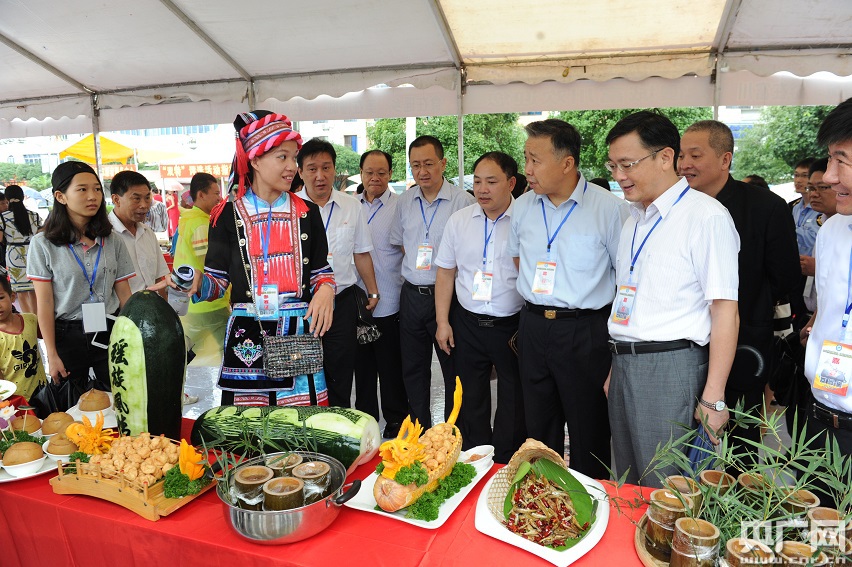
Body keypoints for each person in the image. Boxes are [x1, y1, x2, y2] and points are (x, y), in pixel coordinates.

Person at [604, 111, 740, 487]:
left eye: (628, 164)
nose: (619, 175)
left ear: (666, 157)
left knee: (667, 488)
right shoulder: (634, 219)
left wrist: (714, 397)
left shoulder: (706, 217)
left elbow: (725, 310)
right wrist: (618, 362)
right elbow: (629, 298)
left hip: (671, 366)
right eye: (613, 165)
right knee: (628, 480)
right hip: (625, 363)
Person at [508, 119, 628, 479]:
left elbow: (624, 278)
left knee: (587, 424)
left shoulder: (608, 209)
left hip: (585, 331)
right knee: (538, 424)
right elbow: (518, 260)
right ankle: (543, 502)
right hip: (532, 326)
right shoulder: (523, 206)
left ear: (567, 163)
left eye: (535, 160)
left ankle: (591, 501)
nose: (527, 169)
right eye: (525, 158)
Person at [679, 120, 800, 468]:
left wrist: (748, 304)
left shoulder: (766, 207)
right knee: (681, 439)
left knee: (739, 445)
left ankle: (734, 510)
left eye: (695, 155)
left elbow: (786, 277)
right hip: (686, 343)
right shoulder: (675, 207)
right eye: (682, 155)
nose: (685, 163)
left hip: (745, 337)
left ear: (725, 159)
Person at [192, 111, 335, 407]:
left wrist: (326, 289)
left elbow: (322, 271)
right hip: (248, 334)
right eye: (282, 157)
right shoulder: (226, 216)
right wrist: (193, 283)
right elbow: (217, 282)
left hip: (297, 333)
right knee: (248, 432)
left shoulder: (308, 214)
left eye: (293, 158)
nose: (292, 167)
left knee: (301, 429)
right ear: (255, 160)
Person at [435, 151, 527, 463]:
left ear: (511, 183)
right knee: (470, 395)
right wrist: (442, 322)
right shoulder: (460, 221)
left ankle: (505, 460)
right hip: (468, 323)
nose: (482, 189)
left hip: (511, 325)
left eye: (491, 181)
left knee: (513, 397)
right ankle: (475, 457)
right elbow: (446, 271)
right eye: (477, 181)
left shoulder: (525, 219)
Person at [27, 161, 135, 403]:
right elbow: (44, 304)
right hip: (67, 335)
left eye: (97, 189)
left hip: (109, 328)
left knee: (119, 399)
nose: (93, 196)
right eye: (82, 189)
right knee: (74, 407)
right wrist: (51, 355)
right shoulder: (43, 244)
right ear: (60, 196)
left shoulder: (112, 240)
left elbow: (125, 295)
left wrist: (135, 339)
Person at [389, 136, 475, 428]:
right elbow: (402, 244)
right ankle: (419, 432)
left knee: (454, 370)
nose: (422, 171)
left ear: (443, 163)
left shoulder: (463, 202)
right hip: (412, 294)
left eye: (428, 163)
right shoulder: (404, 202)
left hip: (448, 299)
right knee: (413, 369)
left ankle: (453, 435)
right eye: (415, 165)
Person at [295, 139, 379, 409]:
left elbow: (361, 252)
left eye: (326, 167)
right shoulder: (290, 208)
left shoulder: (352, 206)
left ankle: (338, 435)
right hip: (301, 306)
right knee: (303, 377)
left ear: (334, 170)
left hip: (341, 304)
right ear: (300, 172)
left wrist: (373, 291)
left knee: (340, 375)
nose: (319, 176)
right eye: (311, 169)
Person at [800, 97, 852, 506]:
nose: (830, 178)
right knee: (822, 539)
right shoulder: (832, 230)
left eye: (842, 160)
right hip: (820, 417)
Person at [354, 150, 408, 437]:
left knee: (391, 370)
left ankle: (397, 423)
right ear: (361, 173)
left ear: (389, 174)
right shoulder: (351, 207)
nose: (375, 178)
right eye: (370, 172)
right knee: (362, 372)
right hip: (357, 304)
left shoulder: (400, 206)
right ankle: (366, 424)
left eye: (382, 173)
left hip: (391, 301)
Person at [173, 172, 229, 363]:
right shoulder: (201, 224)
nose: (219, 198)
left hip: (189, 303)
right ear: (202, 194)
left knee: (192, 357)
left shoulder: (187, 219)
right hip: (208, 303)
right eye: (215, 193)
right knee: (216, 358)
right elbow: (212, 263)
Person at [107, 171, 170, 296]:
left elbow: (159, 279)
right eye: (136, 199)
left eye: (147, 198)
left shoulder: (148, 233)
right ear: (116, 199)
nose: (144, 205)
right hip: (121, 313)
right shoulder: (105, 236)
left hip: (153, 309)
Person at [0, 277, 46, 399]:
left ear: (12, 297)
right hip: (17, 402)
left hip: (44, 393)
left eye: (1, 298)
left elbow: (50, 337)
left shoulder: (30, 320)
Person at [0, 185, 43, 315]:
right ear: (22, 197)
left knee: (21, 292)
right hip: (32, 253)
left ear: (7, 198)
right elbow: (41, 234)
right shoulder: (34, 216)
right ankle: (37, 321)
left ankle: (27, 320)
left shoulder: (3, 217)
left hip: (14, 255)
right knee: (34, 290)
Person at [791, 158, 820, 256]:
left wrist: (787, 230)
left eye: (804, 176)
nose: (798, 180)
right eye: (796, 175)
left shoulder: (821, 207)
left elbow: (816, 239)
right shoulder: (795, 207)